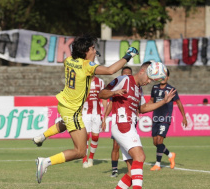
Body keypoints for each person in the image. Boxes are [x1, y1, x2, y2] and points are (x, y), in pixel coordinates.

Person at [32, 33, 139, 184]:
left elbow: (81, 65)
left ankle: (42, 136)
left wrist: (90, 58)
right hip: (73, 110)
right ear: (85, 52)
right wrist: (128, 56)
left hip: (63, 103)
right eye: (93, 48)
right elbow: (109, 71)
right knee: (80, 151)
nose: (95, 51)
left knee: (66, 124)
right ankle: (45, 162)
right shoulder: (87, 66)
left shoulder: (68, 60)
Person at [99, 61, 176, 189]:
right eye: (149, 78)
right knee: (140, 156)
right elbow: (102, 93)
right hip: (123, 124)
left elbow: (143, 108)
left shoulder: (138, 89)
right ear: (142, 72)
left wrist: (163, 102)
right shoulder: (124, 79)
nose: (149, 82)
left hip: (129, 126)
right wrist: (114, 92)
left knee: (131, 172)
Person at [149, 68, 187, 171]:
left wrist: (184, 116)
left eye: (165, 76)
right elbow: (151, 100)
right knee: (155, 142)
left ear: (168, 77)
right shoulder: (155, 88)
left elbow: (178, 102)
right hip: (156, 116)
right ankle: (170, 155)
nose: (163, 78)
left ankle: (157, 164)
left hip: (165, 117)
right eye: (161, 75)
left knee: (160, 140)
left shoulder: (171, 89)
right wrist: (143, 109)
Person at [102, 66, 133, 177]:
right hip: (118, 120)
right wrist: (104, 118)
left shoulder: (135, 87)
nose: (126, 77)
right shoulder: (116, 87)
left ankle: (132, 170)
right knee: (116, 145)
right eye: (124, 74)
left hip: (130, 120)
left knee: (131, 146)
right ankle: (114, 170)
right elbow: (110, 104)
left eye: (128, 75)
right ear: (121, 75)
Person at [82, 76, 107, 168]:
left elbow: (104, 97)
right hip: (85, 113)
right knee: (85, 136)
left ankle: (91, 158)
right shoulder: (82, 80)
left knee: (95, 137)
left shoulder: (100, 82)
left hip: (97, 113)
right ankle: (84, 159)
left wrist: (104, 113)